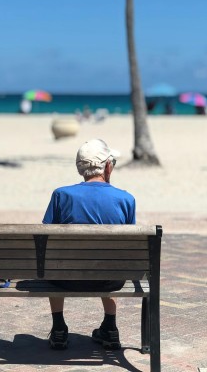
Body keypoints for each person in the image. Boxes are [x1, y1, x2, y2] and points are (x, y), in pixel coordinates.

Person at [42, 139, 136, 351]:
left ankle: (58, 328)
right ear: (108, 167)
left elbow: (46, 238)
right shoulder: (126, 199)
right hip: (110, 280)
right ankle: (110, 327)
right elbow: (127, 249)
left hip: (66, 279)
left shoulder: (61, 195)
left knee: (54, 261)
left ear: (80, 168)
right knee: (111, 259)